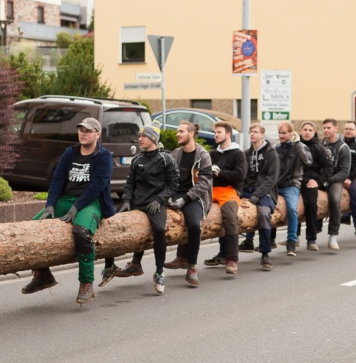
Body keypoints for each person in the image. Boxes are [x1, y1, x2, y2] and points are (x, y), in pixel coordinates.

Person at [21, 118, 115, 305]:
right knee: (32, 229)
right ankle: (43, 274)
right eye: (81, 130)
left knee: (81, 233)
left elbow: (97, 186)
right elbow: (57, 179)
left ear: (97, 134)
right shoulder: (70, 153)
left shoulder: (104, 157)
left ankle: (86, 282)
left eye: (88, 131)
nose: (83, 133)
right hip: (65, 200)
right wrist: (50, 205)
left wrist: (76, 208)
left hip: (91, 202)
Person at [113, 122, 179, 294]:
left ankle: (159, 272)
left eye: (143, 136)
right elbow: (130, 184)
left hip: (156, 203)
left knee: (158, 230)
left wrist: (160, 199)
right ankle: (117, 265)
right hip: (137, 203)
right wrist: (127, 200)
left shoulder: (166, 158)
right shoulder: (137, 160)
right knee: (114, 224)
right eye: (139, 136)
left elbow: (173, 184)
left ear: (153, 138)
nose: (139, 139)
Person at [162, 121, 213, 287]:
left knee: (194, 226)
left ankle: (191, 267)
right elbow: (168, 178)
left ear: (191, 134)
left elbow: (204, 183)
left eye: (181, 131)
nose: (177, 134)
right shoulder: (176, 153)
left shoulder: (203, 155)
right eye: (177, 131)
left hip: (195, 196)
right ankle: (139, 264)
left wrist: (185, 199)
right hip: (176, 193)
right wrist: (168, 196)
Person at [203, 121, 247, 274]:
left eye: (218, 132)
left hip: (229, 191)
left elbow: (240, 176)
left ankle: (232, 259)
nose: (215, 135)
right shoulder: (213, 154)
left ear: (228, 135)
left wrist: (220, 172)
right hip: (210, 190)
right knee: (191, 212)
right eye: (214, 132)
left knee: (230, 217)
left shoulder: (238, 154)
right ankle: (183, 257)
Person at [238, 123, 280, 270]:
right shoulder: (246, 153)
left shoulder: (271, 153)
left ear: (262, 135)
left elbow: (271, 178)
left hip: (265, 191)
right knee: (228, 208)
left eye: (255, 132)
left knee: (264, 213)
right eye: (251, 132)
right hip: (248, 189)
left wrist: (258, 194)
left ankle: (265, 253)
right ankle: (224, 253)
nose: (252, 134)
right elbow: (242, 175)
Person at [273, 121, 311, 256]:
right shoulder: (276, 147)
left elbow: (307, 161)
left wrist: (297, 144)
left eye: (284, 133)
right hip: (276, 185)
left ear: (291, 133)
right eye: (279, 133)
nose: (281, 136)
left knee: (292, 210)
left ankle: (291, 241)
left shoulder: (299, 146)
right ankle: (269, 240)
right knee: (267, 207)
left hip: (291, 185)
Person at [299, 121, 333, 251]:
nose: (307, 132)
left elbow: (328, 167)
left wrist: (318, 181)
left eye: (310, 130)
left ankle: (311, 239)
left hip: (310, 181)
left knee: (311, 204)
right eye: (305, 129)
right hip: (295, 181)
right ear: (301, 131)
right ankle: (292, 238)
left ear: (314, 133)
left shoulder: (319, 148)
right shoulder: (296, 146)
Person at [317, 118, 350, 250]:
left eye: (328, 128)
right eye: (324, 128)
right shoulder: (320, 145)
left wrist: (329, 180)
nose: (326, 130)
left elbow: (344, 172)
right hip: (321, 177)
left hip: (335, 179)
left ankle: (333, 235)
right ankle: (310, 233)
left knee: (334, 199)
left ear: (336, 129)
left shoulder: (343, 147)